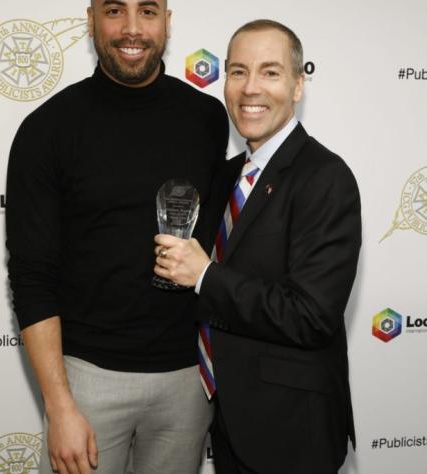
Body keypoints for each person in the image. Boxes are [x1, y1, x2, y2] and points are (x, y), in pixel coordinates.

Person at [5, 0, 228, 473]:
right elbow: (30, 276)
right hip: (87, 380)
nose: (131, 28)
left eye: (147, 11)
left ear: (167, 21)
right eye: (114, 11)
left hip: (186, 381)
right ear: (90, 20)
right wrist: (60, 405)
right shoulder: (46, 129)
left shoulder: (207, 118)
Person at [154, 19, 361, 474]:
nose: (251, 89)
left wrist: (205, 275)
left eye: (270, 72)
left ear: (298, 84)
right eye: (238, 72)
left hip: (291, 431)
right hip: (228, 419)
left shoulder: (326, 178)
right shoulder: (227, 175)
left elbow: (310, 316)